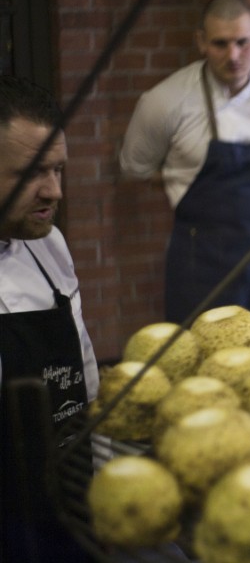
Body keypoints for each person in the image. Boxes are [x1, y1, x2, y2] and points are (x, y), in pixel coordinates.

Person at [120, 0, 250, 331]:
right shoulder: (163, 102)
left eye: (242, 43)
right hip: (202, 275)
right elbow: (136, 167)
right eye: (220, 44)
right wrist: (180, 181)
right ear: (201, 41)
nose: (233, 56)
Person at [0, 75, 99, 561]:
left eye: (59, 170)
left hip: (70, 497)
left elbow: (82, 367)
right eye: (33, 174)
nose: (54, 191)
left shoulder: (49, 246)